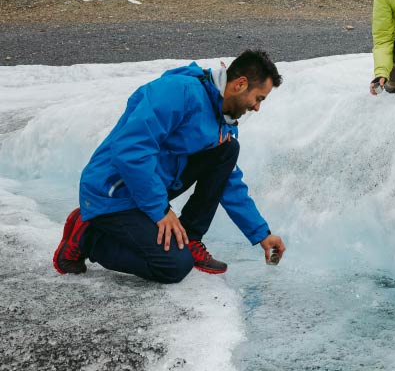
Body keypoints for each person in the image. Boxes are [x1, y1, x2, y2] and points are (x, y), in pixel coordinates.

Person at [53, 49, 286, 284]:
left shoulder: (222, 118)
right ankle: (88, 236)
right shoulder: (179, 92)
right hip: (113, 193)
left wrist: (261, 234)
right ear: (240, 84)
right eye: (258, 98)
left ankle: (191, 238)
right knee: (174, 266)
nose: (257, 107)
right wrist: (160, 210)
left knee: (228, 150)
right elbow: (131, 149)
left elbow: (228, 180)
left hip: (147, 188)